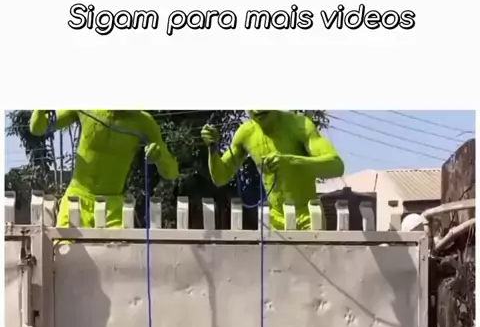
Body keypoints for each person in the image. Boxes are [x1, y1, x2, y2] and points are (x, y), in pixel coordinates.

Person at [30, 110, 179, 227]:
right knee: (64, 251)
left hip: (113, 207)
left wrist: (160, 156)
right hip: (77, 199)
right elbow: (38, 128)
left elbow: (172, 173)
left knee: (116, 255)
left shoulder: (144, 123)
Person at [201, 110, 344, 230]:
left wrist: (291, 161)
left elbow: (337, 166)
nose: (258, 109)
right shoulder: (245, 133)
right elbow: (220, 177)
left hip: (308, 216)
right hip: (274, 218)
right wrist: (212, 149)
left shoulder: (300, 124)